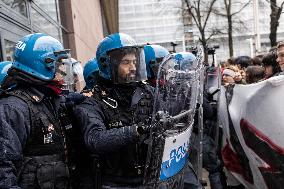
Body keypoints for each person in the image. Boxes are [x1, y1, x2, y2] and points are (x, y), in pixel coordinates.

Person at [74, 33, 155, 188]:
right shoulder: (92, 100)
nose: (133, 67)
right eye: (126, 62)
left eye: (134, 61)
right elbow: (95, 139)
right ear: (107, 64)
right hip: (114, 183)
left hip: (150, 178)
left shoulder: (149, 92)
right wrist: (136, 130)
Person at [0, 33, 75, 189]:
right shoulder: (13, 108)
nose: (63, 69)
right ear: (44, 64)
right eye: (59, 63)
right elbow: (4, 170)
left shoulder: (49, 99)